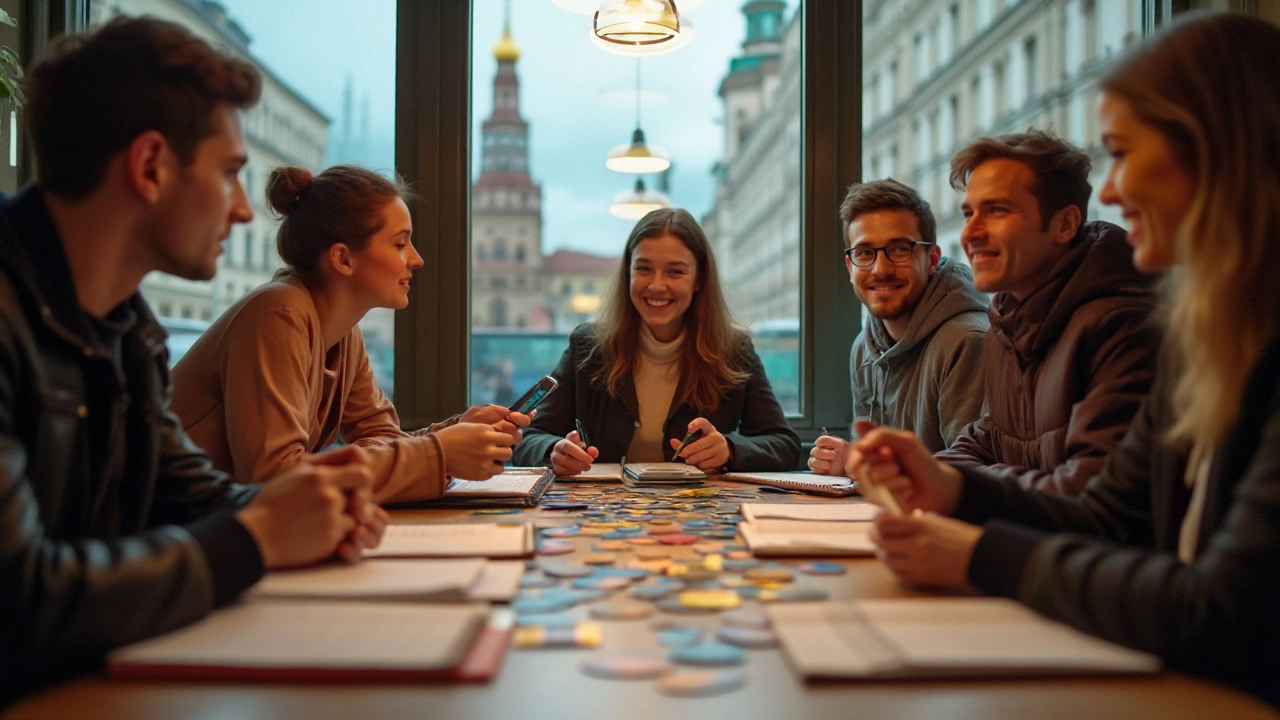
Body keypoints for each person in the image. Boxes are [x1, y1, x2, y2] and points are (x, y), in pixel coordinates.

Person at [852, 12, 1280, 706]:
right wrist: (953, 489)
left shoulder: (1136, 324)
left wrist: (980, 555)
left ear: (1215, 151)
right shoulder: (1200, 334)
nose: (1109, 191)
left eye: (1123, 152)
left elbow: (1224, 612)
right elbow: (1110, 515)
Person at [0, 18, 385, 700]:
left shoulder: (127, 329)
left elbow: (192, 494)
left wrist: (310, 507)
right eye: (231, 174)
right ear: (151, 166)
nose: (243, 211)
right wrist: (258, 537)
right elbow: (19, 599)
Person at [171, 165, 528, 504]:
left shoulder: (342, 330)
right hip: (171, 535)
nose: (417, 259)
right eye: (400, 244)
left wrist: (453, 435)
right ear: (343, 258)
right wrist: (441, 453)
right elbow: (272, 479)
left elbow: (382, 440)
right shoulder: (277, 314)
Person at [933, 129, 1160, 495]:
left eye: (997, 211)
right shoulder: (1004, 329)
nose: (970, 233)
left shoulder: (1122, 326)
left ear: (1065, 224)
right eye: (968, 213)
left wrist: (954, 488)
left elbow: (1089, 491)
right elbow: (984, 442)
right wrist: (914, 471)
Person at [511, 208, 800, 474]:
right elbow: (529, 438)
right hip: (604, 518)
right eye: (644, 269)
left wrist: (730, 450)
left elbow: (784, 445)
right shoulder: (588, 346)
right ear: (628, 274)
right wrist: (553, 452)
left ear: (699, 279)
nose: (657, 285)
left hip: (697, 515)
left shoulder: (734, 350)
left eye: (675, 271)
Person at [809, 178, 987, 476]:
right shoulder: (863, 347)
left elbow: (972, 477)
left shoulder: (967, 340)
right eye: (865, 253)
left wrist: (863, 463)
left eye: (900, 249)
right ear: (850, 267)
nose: (881, 269)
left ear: (932, 259)